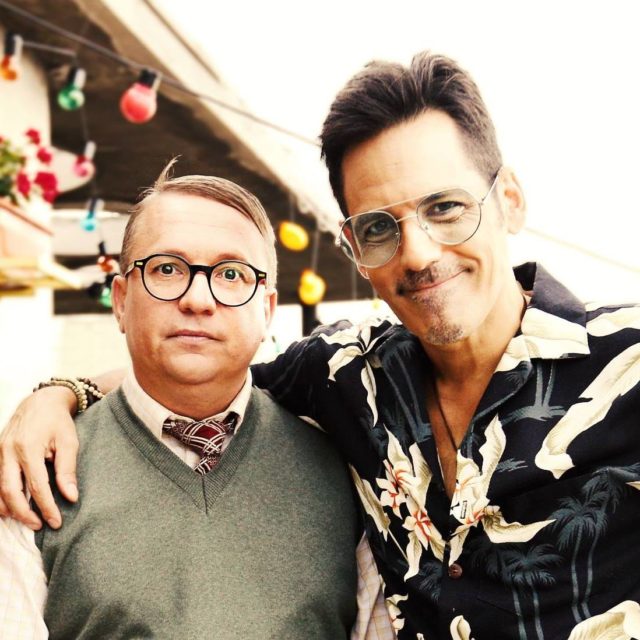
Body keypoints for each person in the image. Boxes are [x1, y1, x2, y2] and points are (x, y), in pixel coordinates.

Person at [2, 51, 640, 639]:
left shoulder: (630, 368)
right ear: (354, 248)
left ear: (510, 201)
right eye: (379, 228)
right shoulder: (346, 376)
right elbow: (201, 363)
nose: (418, 253)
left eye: (446, 207)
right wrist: (58, 394)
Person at [0, 166, 393, 639]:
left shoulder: (344, 467)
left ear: (266, 310)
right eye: (167, 269)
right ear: (121, 300)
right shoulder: (36, 475)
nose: (198, 299)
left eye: (231, 274)